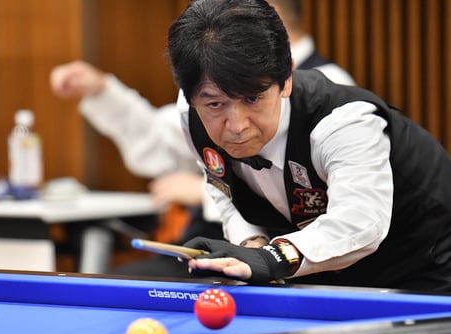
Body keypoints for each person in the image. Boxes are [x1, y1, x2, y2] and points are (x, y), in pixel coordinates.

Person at [49, 0, 355, 278]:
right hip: (220, 246)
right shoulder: (210, 85)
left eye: (252, 99)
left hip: (293, 263)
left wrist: (201, 191)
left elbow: (342, 210)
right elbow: (162, 144)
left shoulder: (328, 95)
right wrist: (102, 91)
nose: (236, 125)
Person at [166, 0, 451, 291]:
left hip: (427, 261)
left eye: (252, 98)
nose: (237, 125)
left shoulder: (342, 122)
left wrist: (271, 258)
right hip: (324, 271)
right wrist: (251, 245)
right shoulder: (191, 114)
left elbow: (359, 221)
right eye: (215, 104)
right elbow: (222, 184)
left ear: (287, 78)